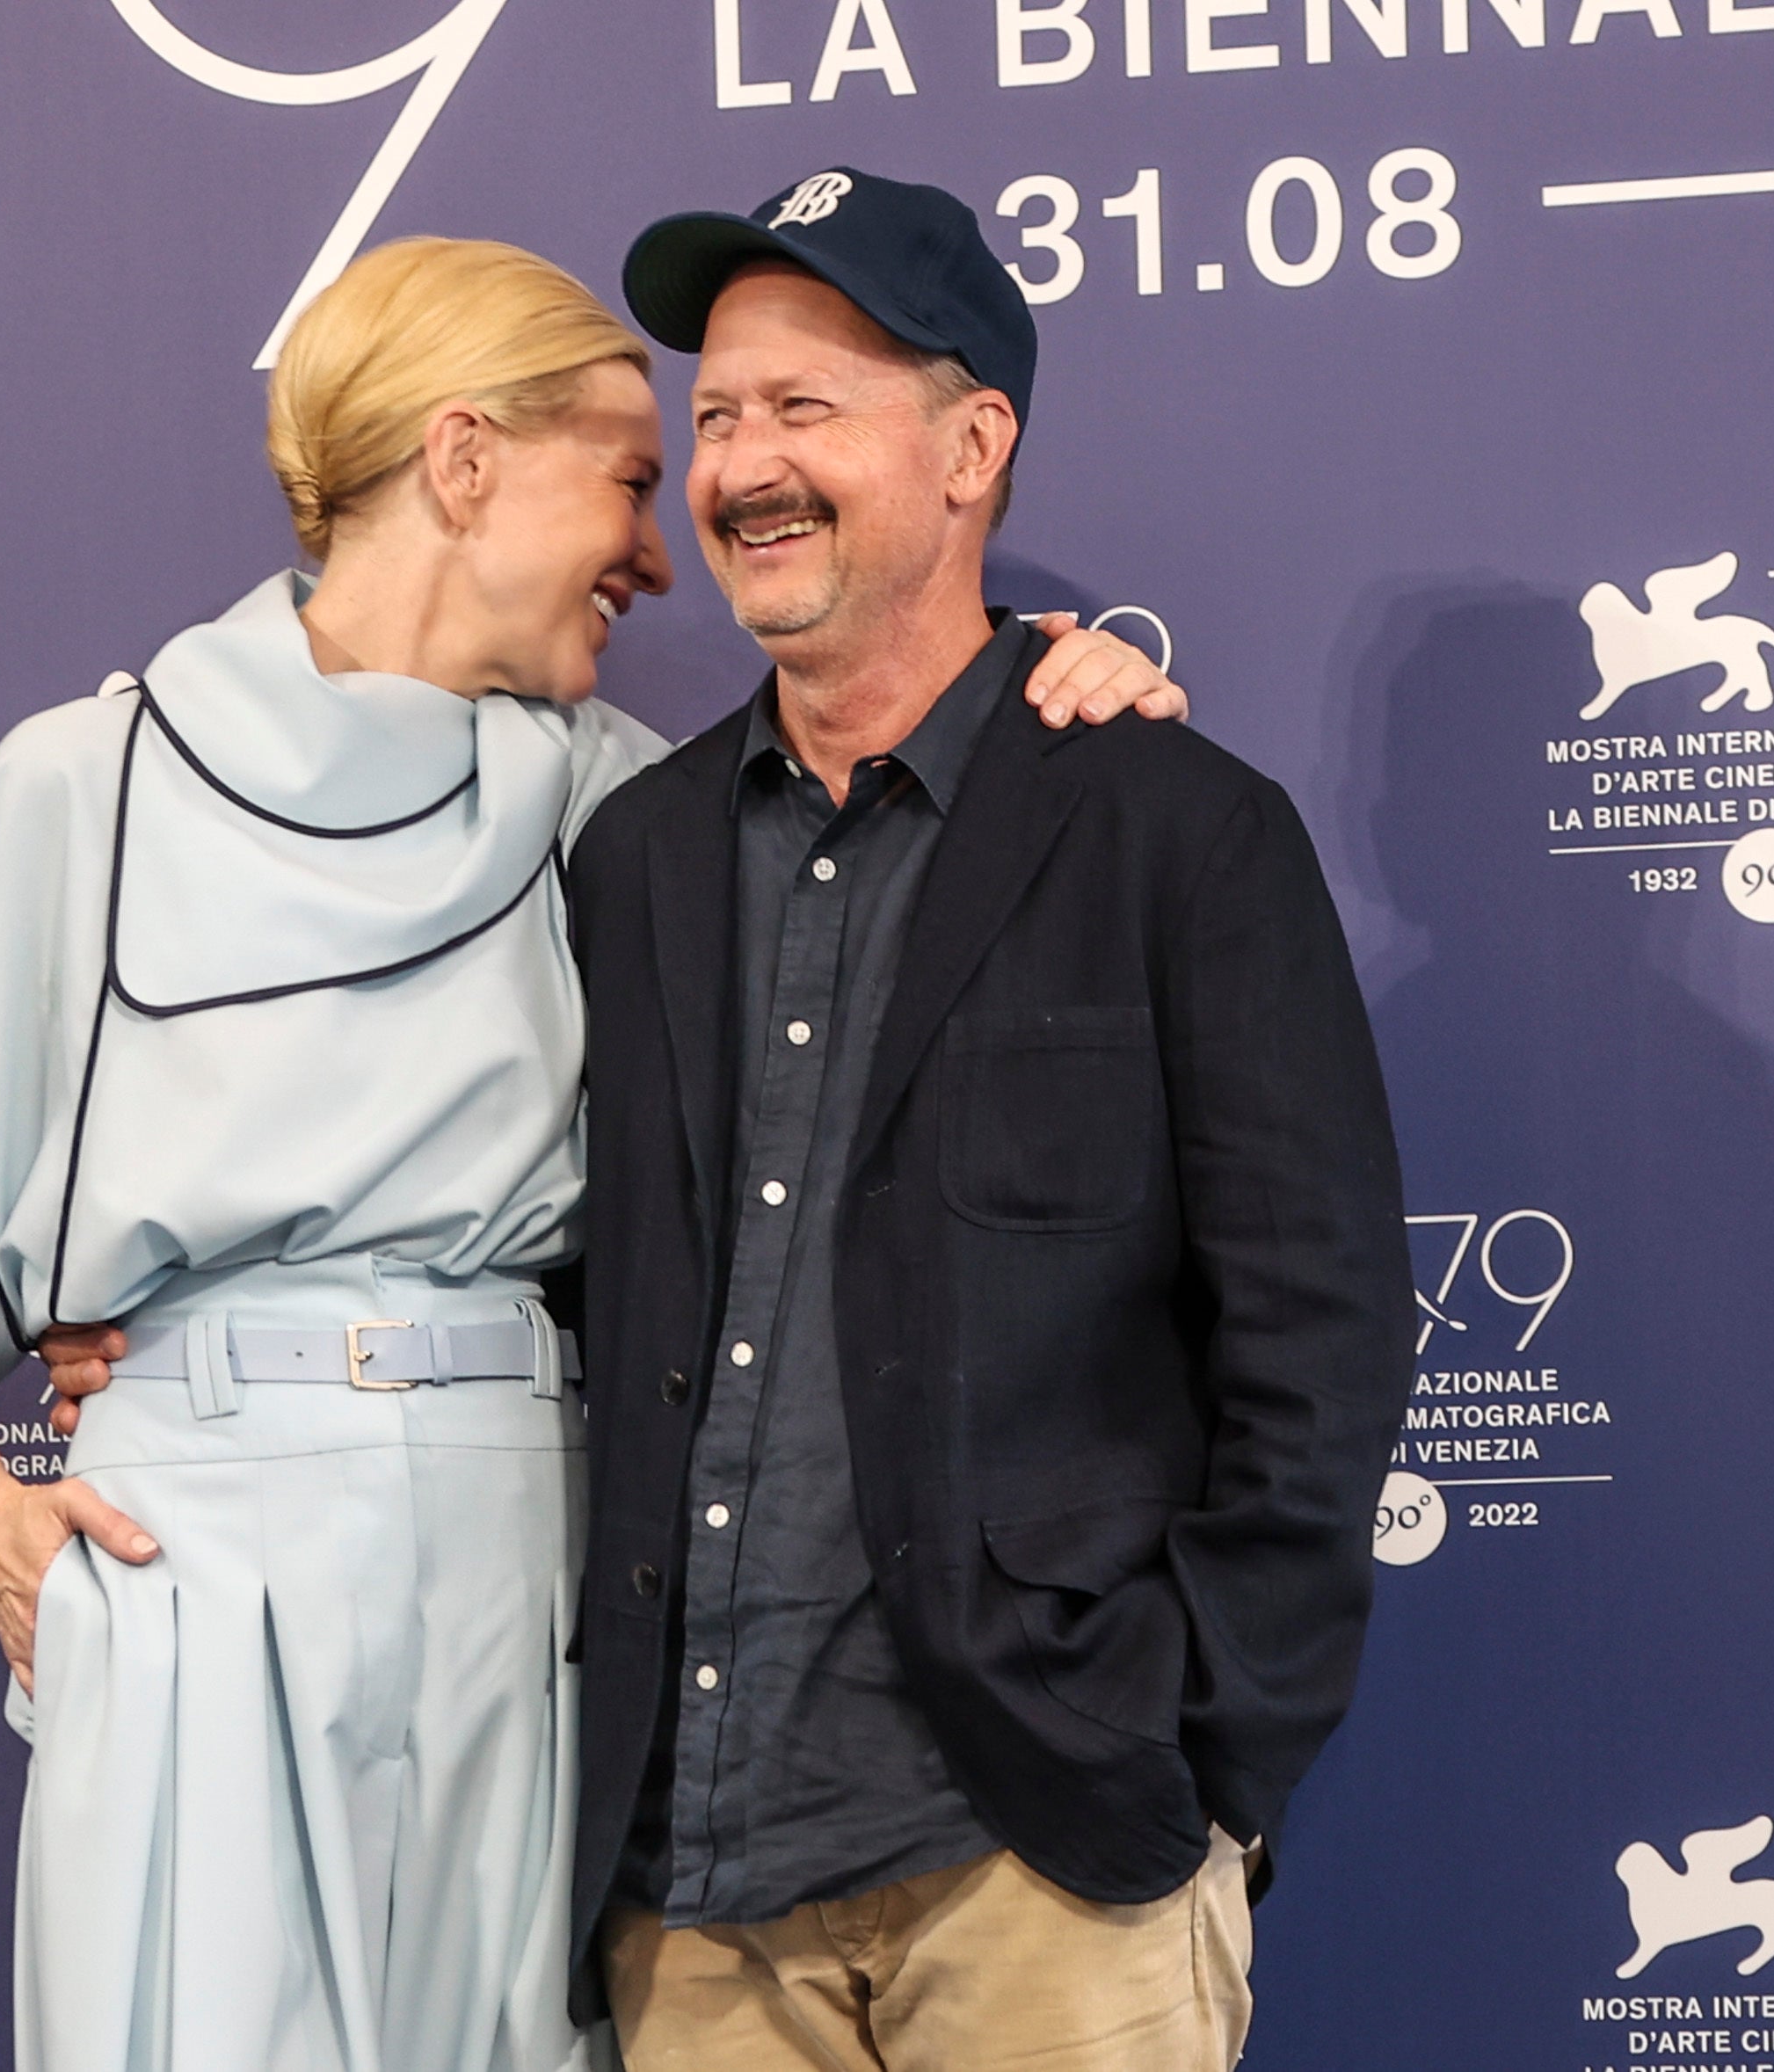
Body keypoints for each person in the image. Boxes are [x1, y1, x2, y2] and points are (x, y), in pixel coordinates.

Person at [0, 236, 1184, 2072]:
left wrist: (1063, 698)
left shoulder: (629, 807)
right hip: (188, 1542)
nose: (662, 546)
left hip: (534, 1539)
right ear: (459, 464)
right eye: (623, 473)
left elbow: (862, 943)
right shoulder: (78, 783)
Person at [559, 171, 1416, 2069]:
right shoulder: (633, 856)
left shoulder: (1175, 830)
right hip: (689, 1897)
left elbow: (1320, 1329)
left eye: (806, 408)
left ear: (970, 449)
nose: (742, 465)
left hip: (1041, 1867)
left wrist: (1202, 1752)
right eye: (713, 419)